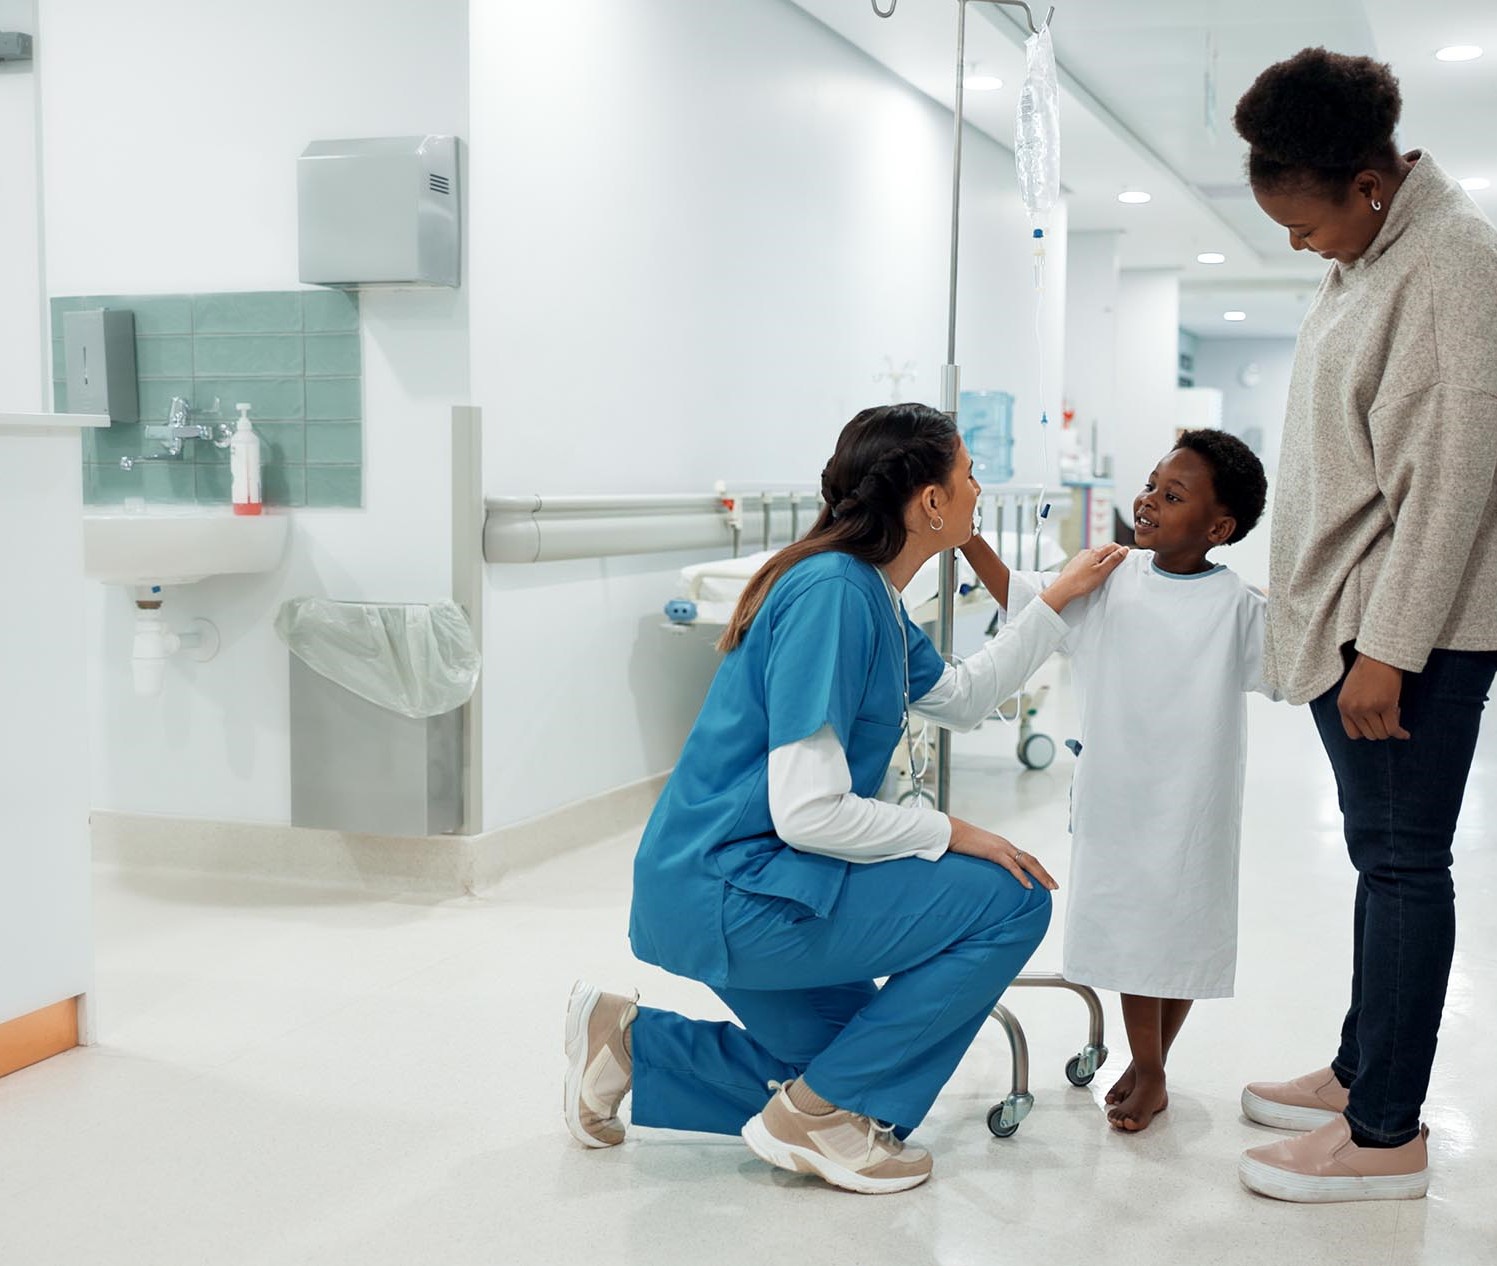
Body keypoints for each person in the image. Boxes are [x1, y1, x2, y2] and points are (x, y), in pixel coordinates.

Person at [563, 402, 1127, 1195]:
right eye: (968, 475)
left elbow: (962, 698)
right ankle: (818, 1119)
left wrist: (1055, 599)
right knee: (1010, 898)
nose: (977, 489)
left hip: (752, 881)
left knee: (845, 1069)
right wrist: (949, 831)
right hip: (734, 889)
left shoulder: (871, 595)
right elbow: (808, 811)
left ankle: (629, 1044)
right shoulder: (832, 593)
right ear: (930, 503)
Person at [1230, 48, 1497, 1203]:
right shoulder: (1376, 257)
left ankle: (1385, 1135)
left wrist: (1391, 646)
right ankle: (1358, 1071)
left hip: (1409, 632)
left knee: (1402, 866)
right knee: (1380, 860)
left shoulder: (1450, 264)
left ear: (1369, 185)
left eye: (1303, 223)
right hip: (1365, 617)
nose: (1299, 244)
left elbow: (1451, 480)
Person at [962, 430, 1270, 1133]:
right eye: (1150, 482)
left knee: (1183, 932)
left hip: (1196, 802)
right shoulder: (1107, 575)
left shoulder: (1237, 607)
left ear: (1218, 528)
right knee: (1136, 930)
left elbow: (1290, 667)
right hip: (1119, 797)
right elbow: (1021, 595)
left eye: (1172, 494)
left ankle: (1150, 1065)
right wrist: (965, 539)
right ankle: (1149, 1066)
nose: (1148, 499)